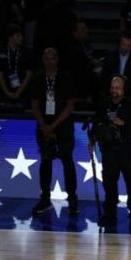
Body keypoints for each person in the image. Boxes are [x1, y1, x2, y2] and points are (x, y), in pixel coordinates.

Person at [30, 48, 79, 216]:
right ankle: (45, 199)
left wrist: (54, 125)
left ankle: (72, 200)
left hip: (63, 127)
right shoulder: (37, 78)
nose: (49, 61)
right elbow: (34, 105)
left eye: (52, 58)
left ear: (57, 59)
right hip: (44, 127)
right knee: (45, 162)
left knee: (68, 162)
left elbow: (70, 105)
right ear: (43, 60)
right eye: (46, 58)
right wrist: (44, 125)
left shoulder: (66, 78)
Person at [91, 75, 131, 228]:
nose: (114, 91)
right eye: (113, 88)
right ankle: (110, 214)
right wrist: (92, 140)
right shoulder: (104, 104)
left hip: (126, 149)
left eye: (118, 88)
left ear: (123, 90)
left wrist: (124, 123)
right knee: (109, 183)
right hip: (108, 150)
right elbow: (96, 123)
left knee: (130, 182)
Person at [100, 32, 131, 104]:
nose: (126, 48)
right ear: (119, 44)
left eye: (129, 45)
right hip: (111, 96)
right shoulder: (110, 56)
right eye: (123, 44)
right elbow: (104, 77)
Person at [0, 24, 32, 103]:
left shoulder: (26, 52)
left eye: (21, 35)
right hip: (5, 93)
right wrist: (7, 92)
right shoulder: (1, 51)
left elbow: (28, 75)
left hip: (23, 93)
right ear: (10, 37)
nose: (21, 38)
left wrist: (18, 93)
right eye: (18, 35)